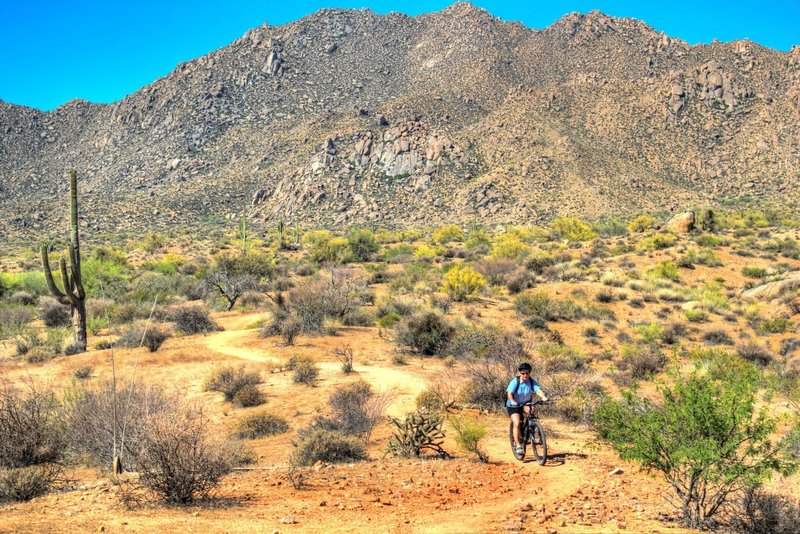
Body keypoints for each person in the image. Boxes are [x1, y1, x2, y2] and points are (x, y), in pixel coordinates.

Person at [507, 362, 548, 455]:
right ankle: (518, 445)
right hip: (513, 405)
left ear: (530, 373)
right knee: (517, 423)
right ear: (519, 373)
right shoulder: (515, 381)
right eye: (523, 373)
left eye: (527, 373)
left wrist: (543, 397)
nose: (525, 375)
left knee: (533, 412)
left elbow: (538, 390)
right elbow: (509, 393)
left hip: (525, 403)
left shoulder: (532, 381)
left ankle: (531, 428)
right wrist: (512, 400)